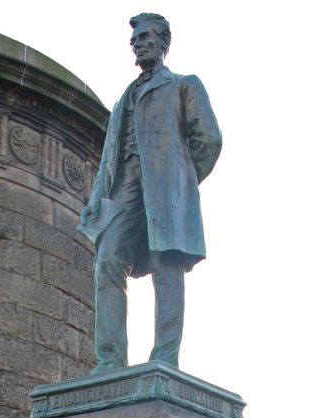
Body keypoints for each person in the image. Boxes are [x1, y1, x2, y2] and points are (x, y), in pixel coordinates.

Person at [78, 13, 222, 373]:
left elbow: (210, 140)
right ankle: (110, 361)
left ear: (163, 43)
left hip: (165, 189)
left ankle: (165, 357)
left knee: (165, 265)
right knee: (108, 261)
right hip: (124, 187)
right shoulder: (122, 100)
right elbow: (108, 158)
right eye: (135, 40)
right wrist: (97, 196)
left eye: (145, 37)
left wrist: (181, 183)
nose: (139, 44)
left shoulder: (184, 85)